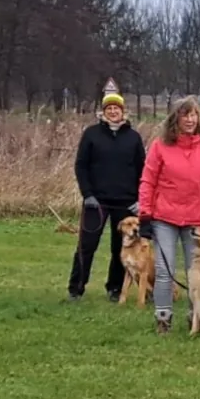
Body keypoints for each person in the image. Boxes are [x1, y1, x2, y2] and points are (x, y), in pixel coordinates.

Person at [136, 96, 200, 334]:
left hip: (195, 221)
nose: (189, 119)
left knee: (196, 273)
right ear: (175, 118)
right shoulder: (160, 147)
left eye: (193, 114)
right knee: (165, 271)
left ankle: (195, 318)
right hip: (163, 218)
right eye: (184, 114)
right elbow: (148, 182)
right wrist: (145, 216)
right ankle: (163, 318)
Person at [67, 91, 146, 302]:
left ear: (123, 112)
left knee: (119, 248)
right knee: (86, 245)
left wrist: (140, 199)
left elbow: (143, 170)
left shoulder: (133, 137)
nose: (113, 112)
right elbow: (81, 166)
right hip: (96, 202)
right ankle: (76, 289)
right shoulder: (91, 134)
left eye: (116, 108)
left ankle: (115, 288)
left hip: (126, 202)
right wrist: (87, 194)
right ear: (103, 112)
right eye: (109, 108)